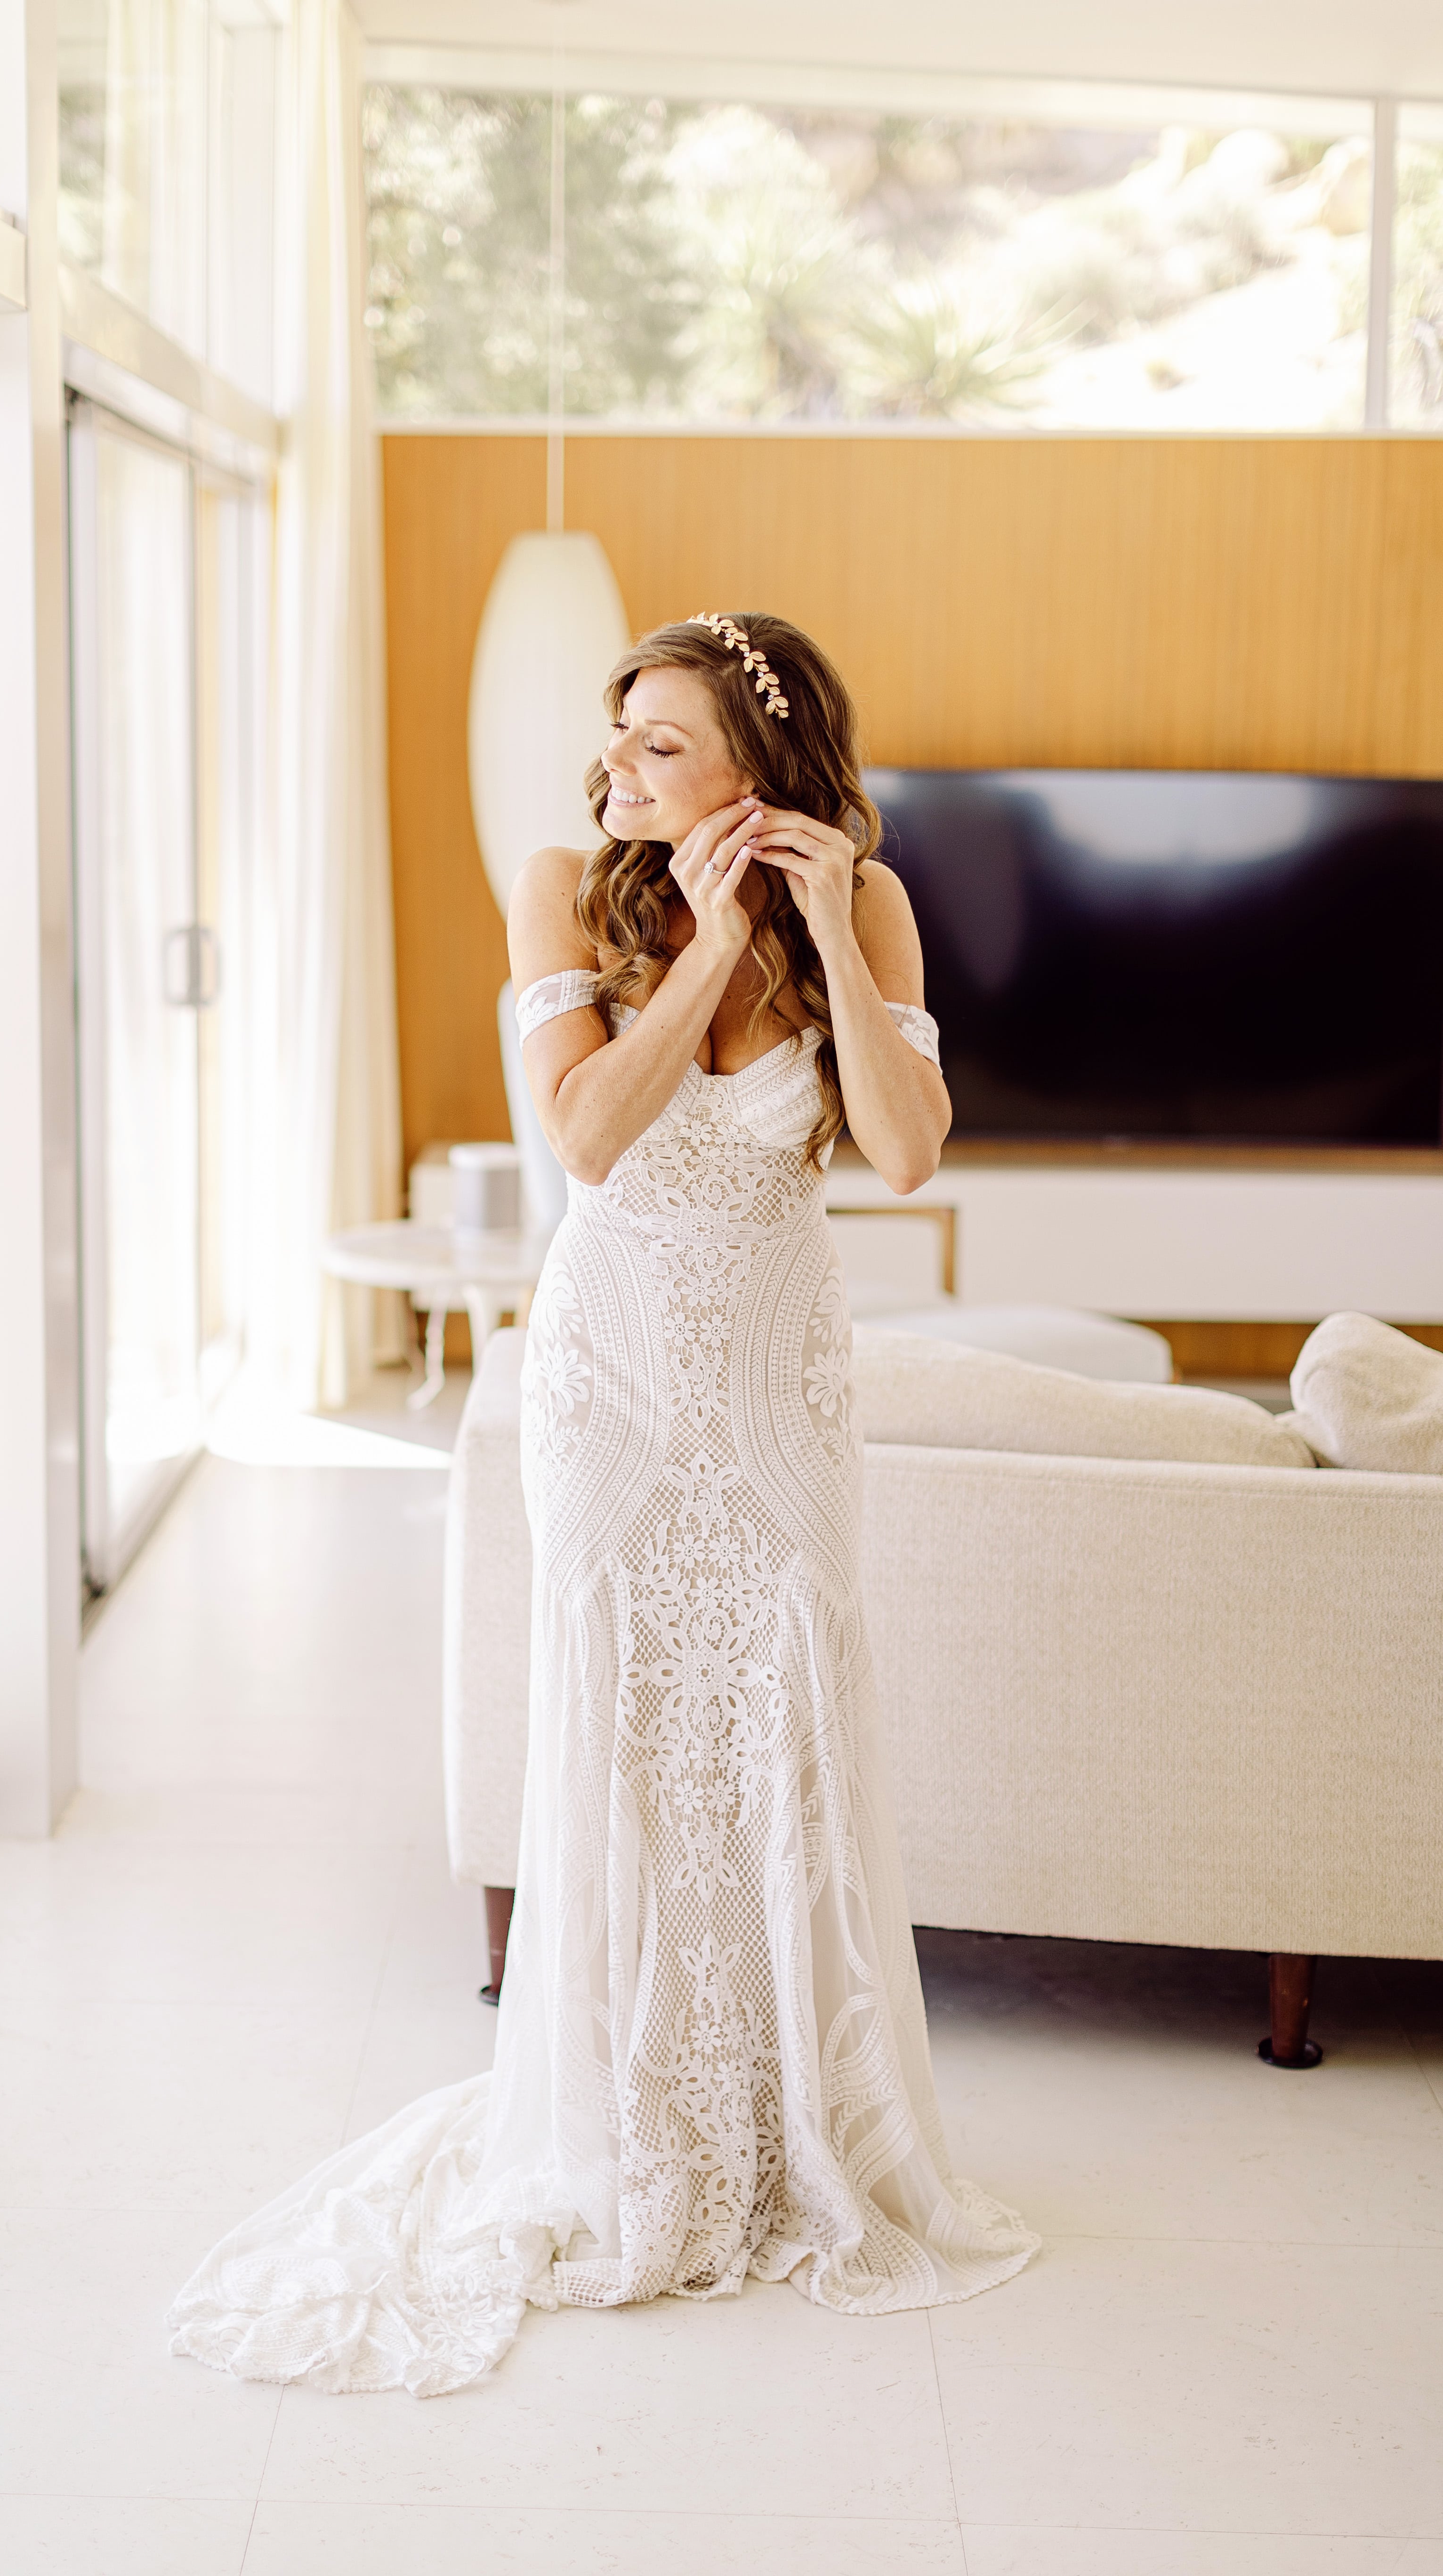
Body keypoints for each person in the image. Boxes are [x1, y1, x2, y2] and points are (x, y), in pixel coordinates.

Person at [168, 611, 1037, 2397]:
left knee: (781, 1724)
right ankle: (635, 2130)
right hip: (615, 1379)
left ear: (757, 767)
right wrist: (713, 937)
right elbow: (586, 1140)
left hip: (780, 1377)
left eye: (662, 744)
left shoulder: (863, 901)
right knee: (629, 1724)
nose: (619, 768)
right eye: (621, 732)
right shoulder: (568, 886)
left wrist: (820, 940)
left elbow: (907, 1147)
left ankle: (793, 2123)